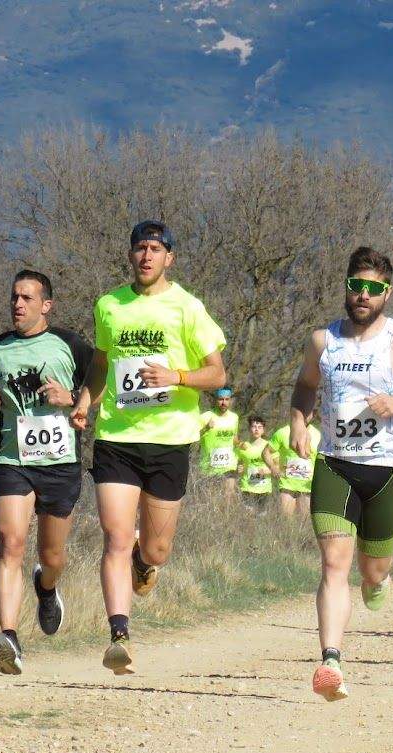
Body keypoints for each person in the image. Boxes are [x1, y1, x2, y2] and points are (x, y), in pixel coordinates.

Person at [289, 246, 393, 701]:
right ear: (345, 287)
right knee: (333, 565)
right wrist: (299, 420)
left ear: (387, 293)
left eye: (373, 289)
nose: (363, 295)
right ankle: (331, 661)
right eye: (356, 286)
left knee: (372, 570)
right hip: (335, 464)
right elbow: (305, 385)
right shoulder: (323, 341)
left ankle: (377, 581)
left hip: (387, 470)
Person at [70, 220, 227, 675]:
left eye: (155, 249)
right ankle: (119, 634)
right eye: (139, 248)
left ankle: (146, 561)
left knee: (155, 550)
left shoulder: (187, 308)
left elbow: (217, 374)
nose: (146, 256)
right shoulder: (109, 305)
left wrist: (176, 376)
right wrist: (85, 400)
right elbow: (102, 363)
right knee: (116, 536)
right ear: (130, 255)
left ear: (169, 257)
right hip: (117, 437)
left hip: (170, 439)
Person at [0, 270, 92, 674]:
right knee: (10, 543)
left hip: (60, 463)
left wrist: (75, 398)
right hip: (14, 460)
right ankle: (7, 636)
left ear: (46, 305)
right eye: (13, 297)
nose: (17, 304)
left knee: (51, 555)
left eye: (27, 298)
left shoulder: (71, 344)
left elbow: (101, 384)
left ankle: (47, 588)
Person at [265, 409, 320, 517]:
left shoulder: (317, 435)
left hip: (307, 487)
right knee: (286, 520)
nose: (305, 415)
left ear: (313, 414)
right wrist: (273, 467)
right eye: (302, 411)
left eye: (308, 412)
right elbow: (266, 452)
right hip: (287, 486)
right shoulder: (283, 432)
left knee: (304, 523)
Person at [199, 387, 240, 497]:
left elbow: (234, 438)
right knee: (211, 498)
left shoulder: (234, 417)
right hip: (210, 465)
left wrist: (241, 445)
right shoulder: (207, 416)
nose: (224, 402)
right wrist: (206, 428)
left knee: (228, 495)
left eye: (227, 399)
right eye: (221, 399)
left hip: (229, 463)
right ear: (215, 400)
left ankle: (227, 514)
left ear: (230, 400)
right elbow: (192, 435)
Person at [236, 415, 273, 509]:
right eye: (254, 427)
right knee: (247, 517)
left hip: (263, 488)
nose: (256, 429)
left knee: (262, 517)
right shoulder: (243, 446)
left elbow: (278, 467)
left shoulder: (269, 446)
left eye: (259, 427)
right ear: (249, 429)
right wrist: (239, 469)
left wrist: (267, 471)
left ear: (263, 430)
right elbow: (239, 464)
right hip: (247, 487)